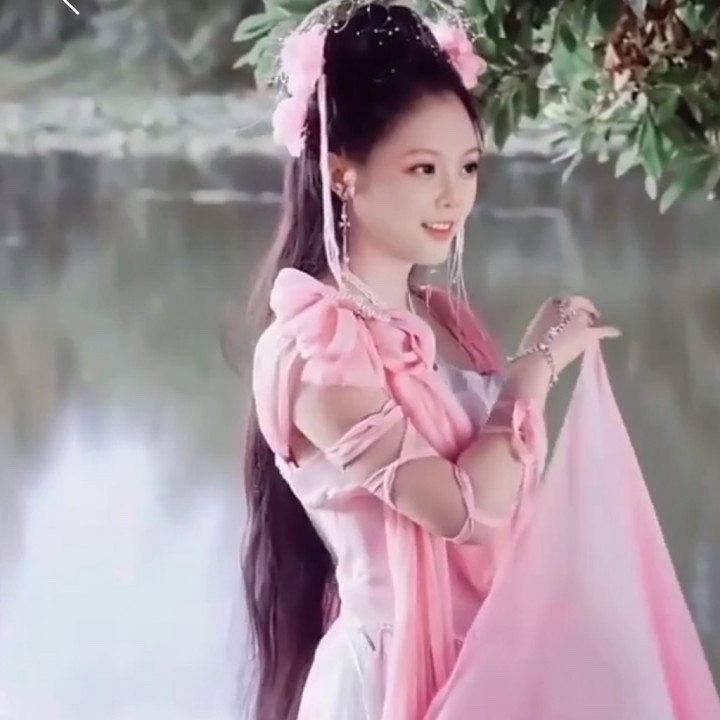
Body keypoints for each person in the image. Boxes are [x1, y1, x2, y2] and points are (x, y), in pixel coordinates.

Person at [240, 3, 720, 720]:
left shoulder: (441, 321)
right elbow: (462, 509)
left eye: (467, 166)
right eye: (423, 168)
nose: (453, 196)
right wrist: (534, 369)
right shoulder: (313, 348)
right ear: (343, 173)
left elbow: (514, 502)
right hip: (389, 677)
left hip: (497, 667)